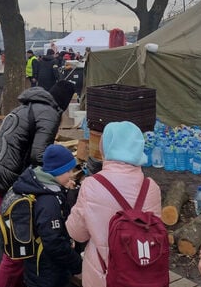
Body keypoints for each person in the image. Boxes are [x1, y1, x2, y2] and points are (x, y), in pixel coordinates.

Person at [0, 80, 75, 287]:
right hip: (2, 182)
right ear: (64, 104)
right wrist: (57, 176)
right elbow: (39, 155)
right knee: (16, 248)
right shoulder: (50, 113)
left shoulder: (28, 105)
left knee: (19, 244)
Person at [66, 121, 162, 287]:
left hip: (102, 274)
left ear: (106, 146)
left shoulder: (91, 185)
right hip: (142, 274)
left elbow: (77, 233)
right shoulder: (151, 187)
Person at [11, 144, 83, 287]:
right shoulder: (48, 201)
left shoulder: (40, 186)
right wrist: (77, 263)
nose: (71, 174)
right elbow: (53, 242)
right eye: (68, 170)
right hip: (47, 273)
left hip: (37, 268)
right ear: (58, 171)